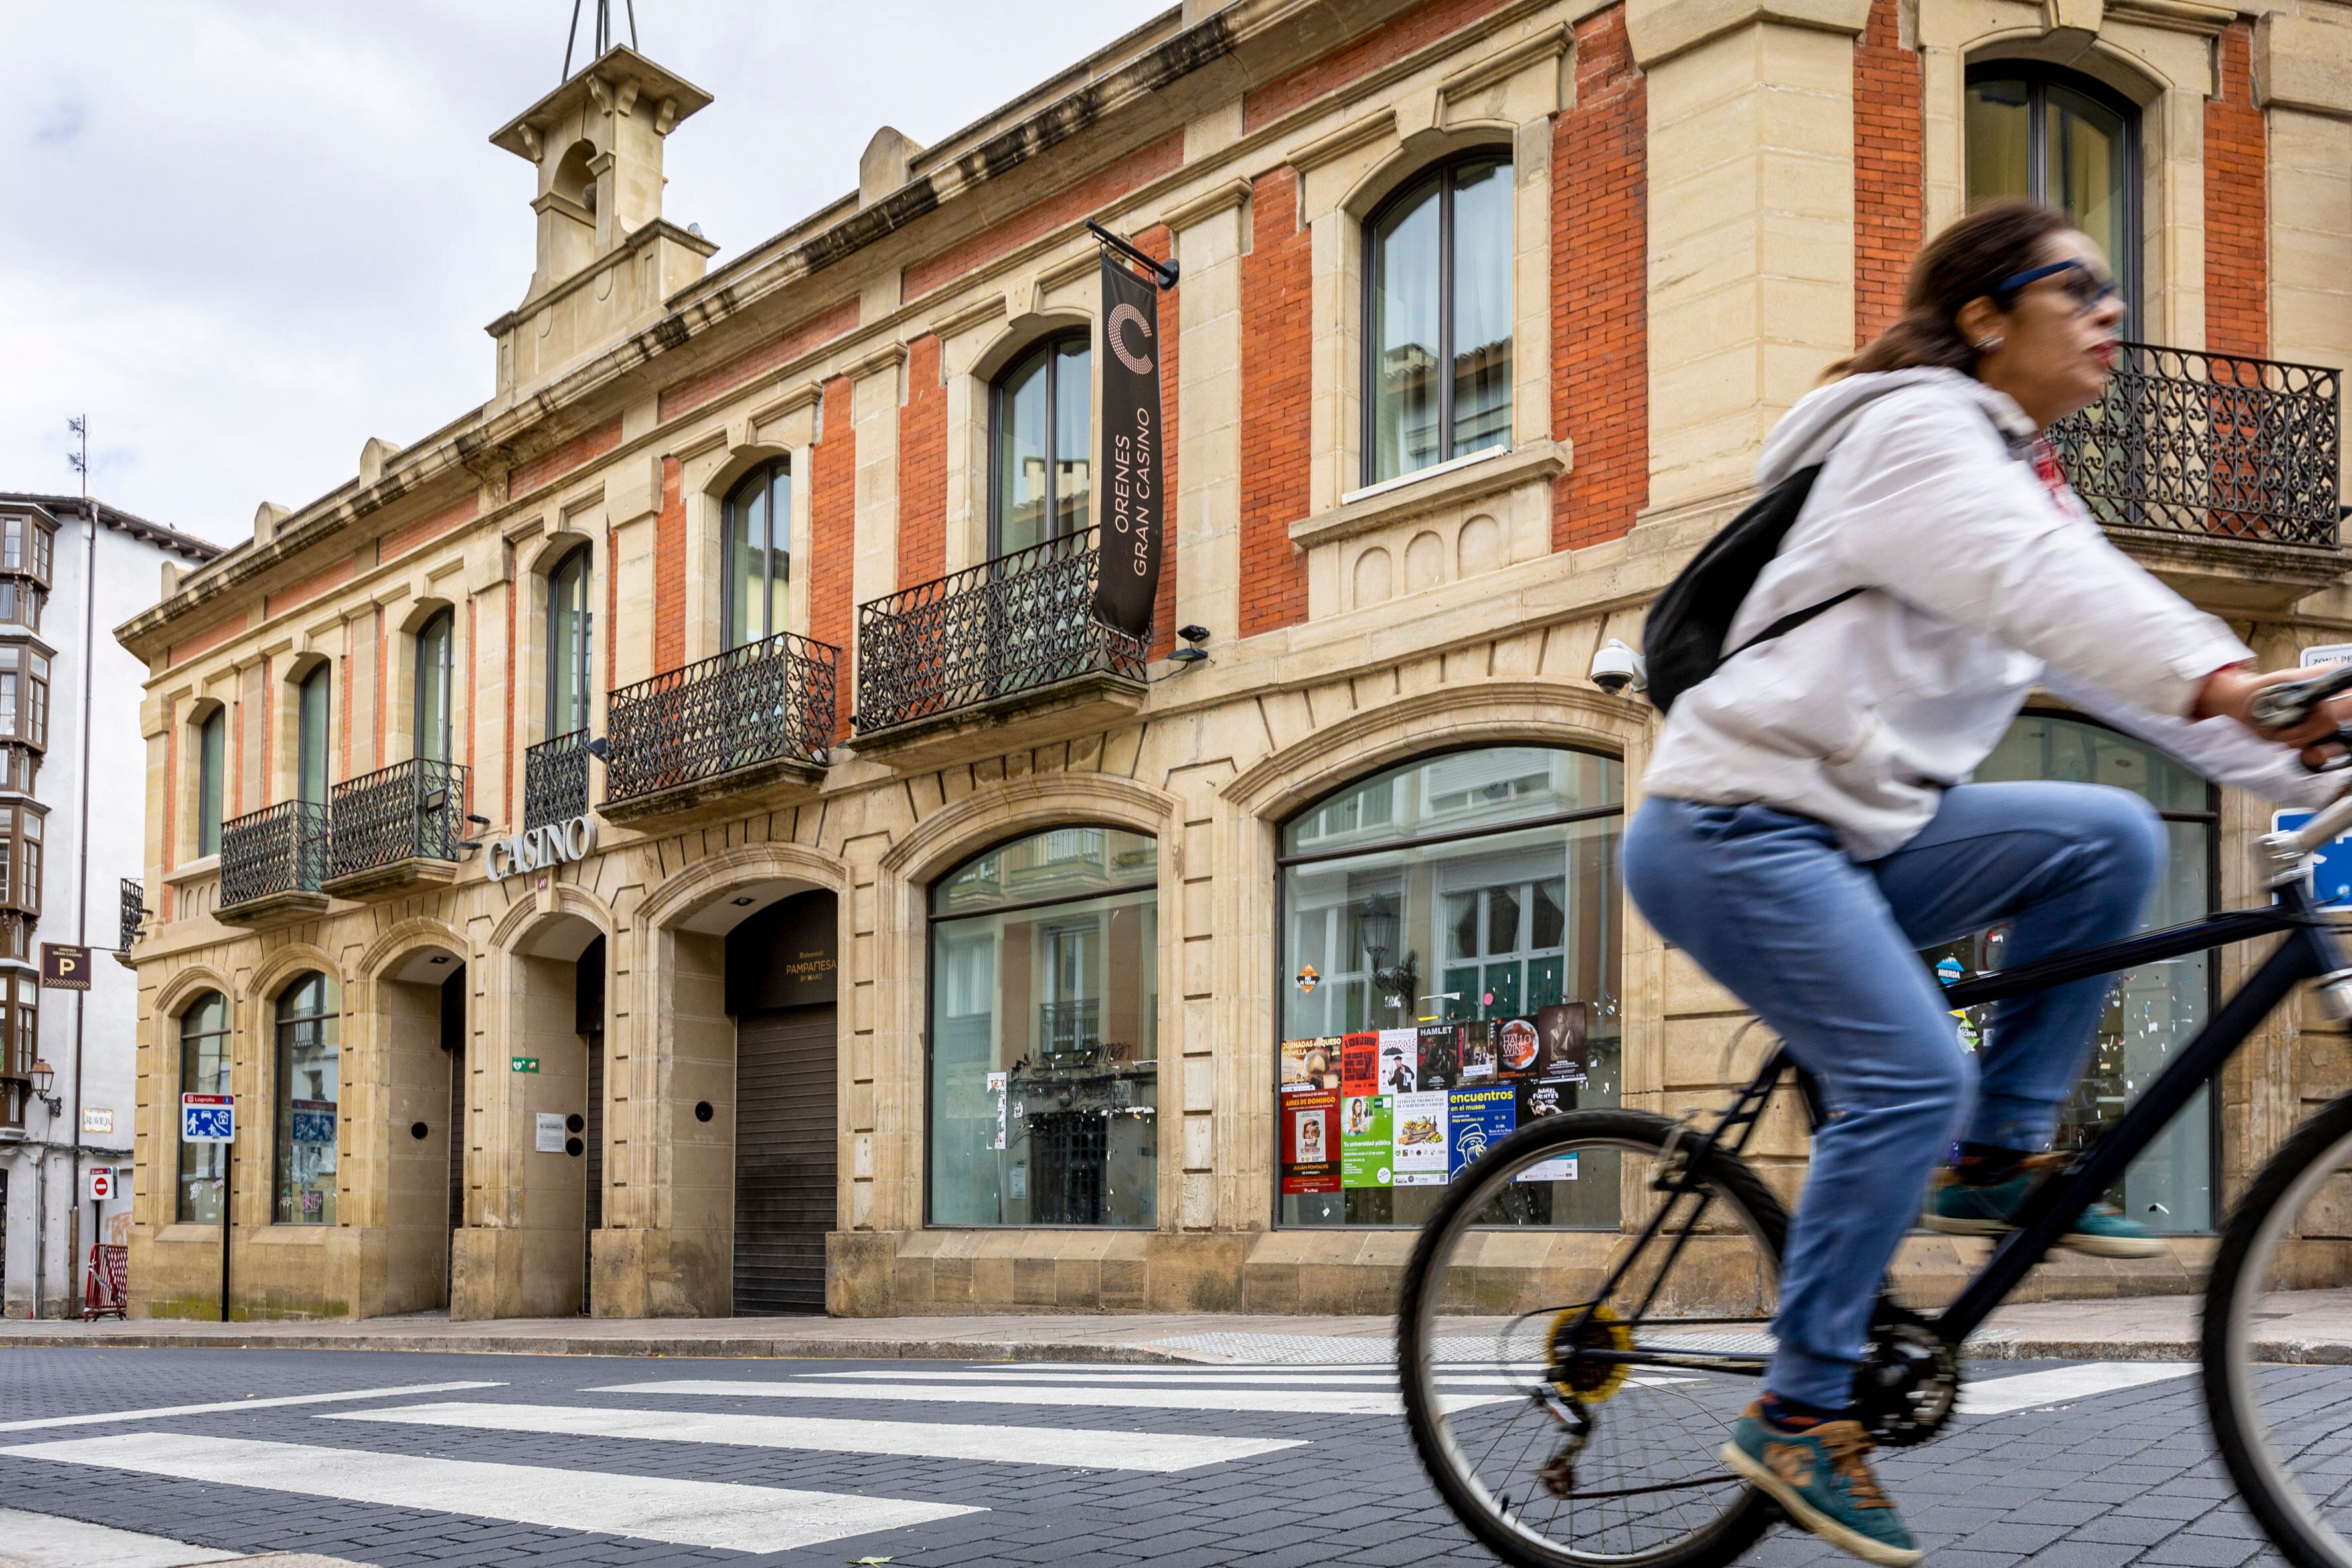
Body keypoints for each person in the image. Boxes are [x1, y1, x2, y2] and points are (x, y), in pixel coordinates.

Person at [1620, 200, 2350, 1567]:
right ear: (1978, 315)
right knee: (1906, 1074)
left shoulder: (2026, 475)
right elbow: (2051, 592)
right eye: (2073, 285)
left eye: (2109, 290)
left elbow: (2116, 645)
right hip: (1731, 829)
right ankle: (1795, 1409)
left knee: (2109, 834)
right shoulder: (1911, 433)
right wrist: (2238, 680)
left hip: (1864, 832)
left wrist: (2302, 749)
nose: (2106, 310)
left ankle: (1994, 1159)